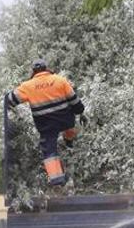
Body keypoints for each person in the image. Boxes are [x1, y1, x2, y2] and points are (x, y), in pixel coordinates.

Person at [6, 59, 86, 187]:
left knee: (49, 150)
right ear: (46, 68)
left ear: (33, 71)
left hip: (46, 125)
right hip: (65, 120)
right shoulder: (60, 80)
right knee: (70, 126)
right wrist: (80, 111)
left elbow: (9, 100)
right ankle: (69, 143)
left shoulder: (27, 86)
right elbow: (74, 100)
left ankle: (57, 181)